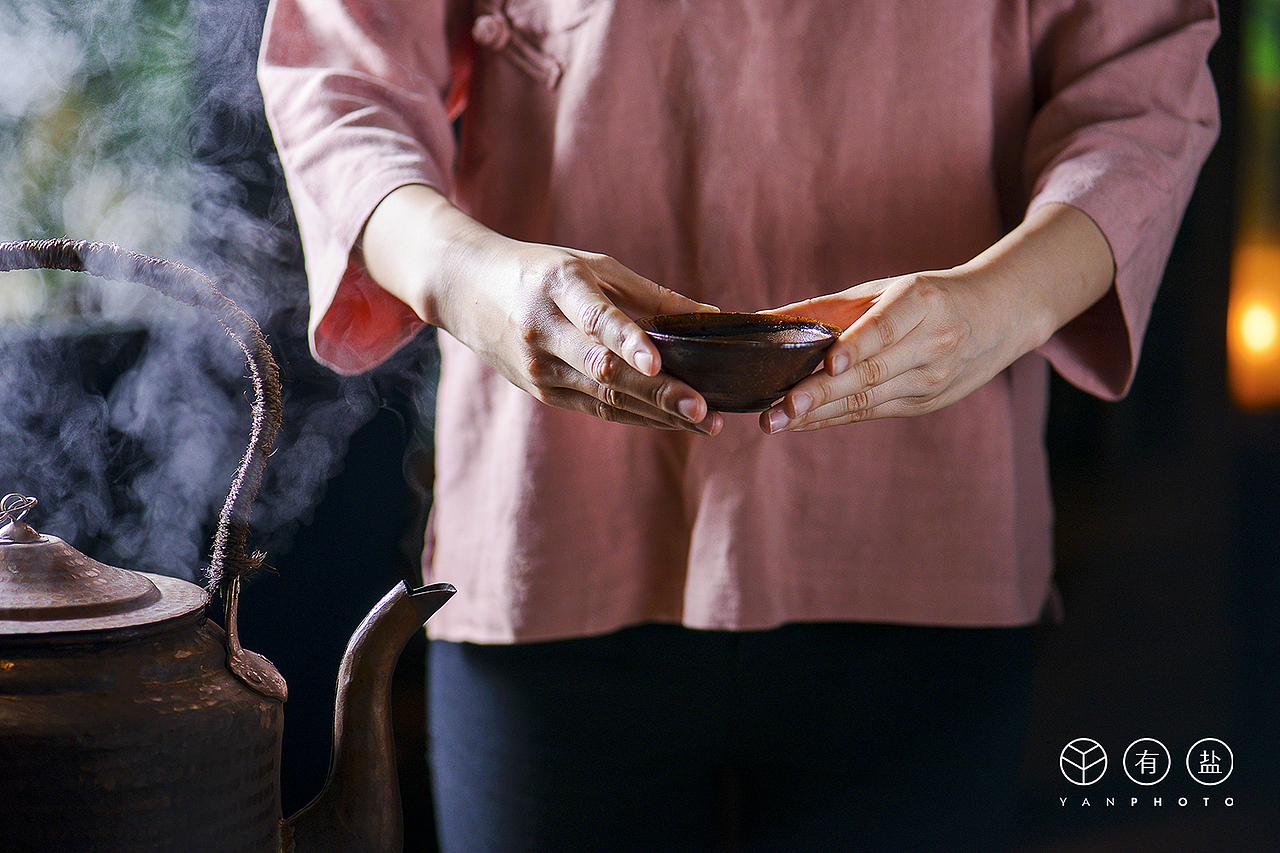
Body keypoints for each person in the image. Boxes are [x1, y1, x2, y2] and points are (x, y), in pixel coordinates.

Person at [259, 1, 1219, 850]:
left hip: (922, 543)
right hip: (554, 532)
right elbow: (342, 79)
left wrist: (1002, 304)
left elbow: (1141, 90)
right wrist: (471, 279)